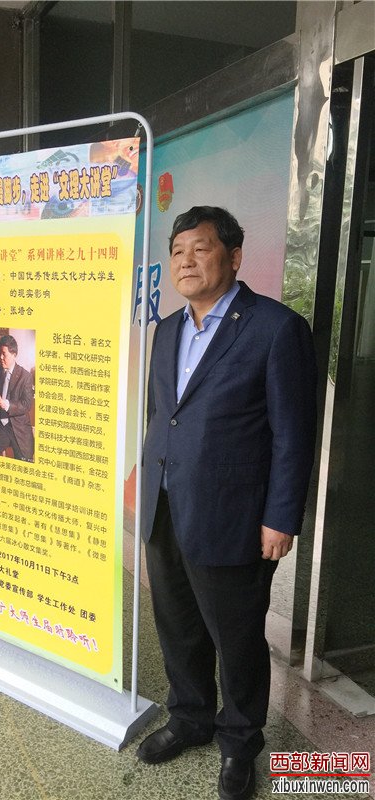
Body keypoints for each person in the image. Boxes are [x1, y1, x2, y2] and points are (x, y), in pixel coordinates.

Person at [137, 207, 317, 800]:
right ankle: (190, 716)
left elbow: (293, 435)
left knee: (236, 637)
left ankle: (240, 743)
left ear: (234, 257)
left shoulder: (275, 329)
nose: (186, 261)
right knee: (178, 624)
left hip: (234, 516)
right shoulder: (167, 329)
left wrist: (280, 517)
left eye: (201, 248)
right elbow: (165, 417)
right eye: (177, 250)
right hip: (167, 506)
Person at [0, 334, 34, 461]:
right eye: (0, 353)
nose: (1, 357)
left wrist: (8, 405)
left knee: (25, 460)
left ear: (14, 354)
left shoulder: (26, 376)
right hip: (0, 426)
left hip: (19, 427)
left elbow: (27, 404)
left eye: (4, 354)